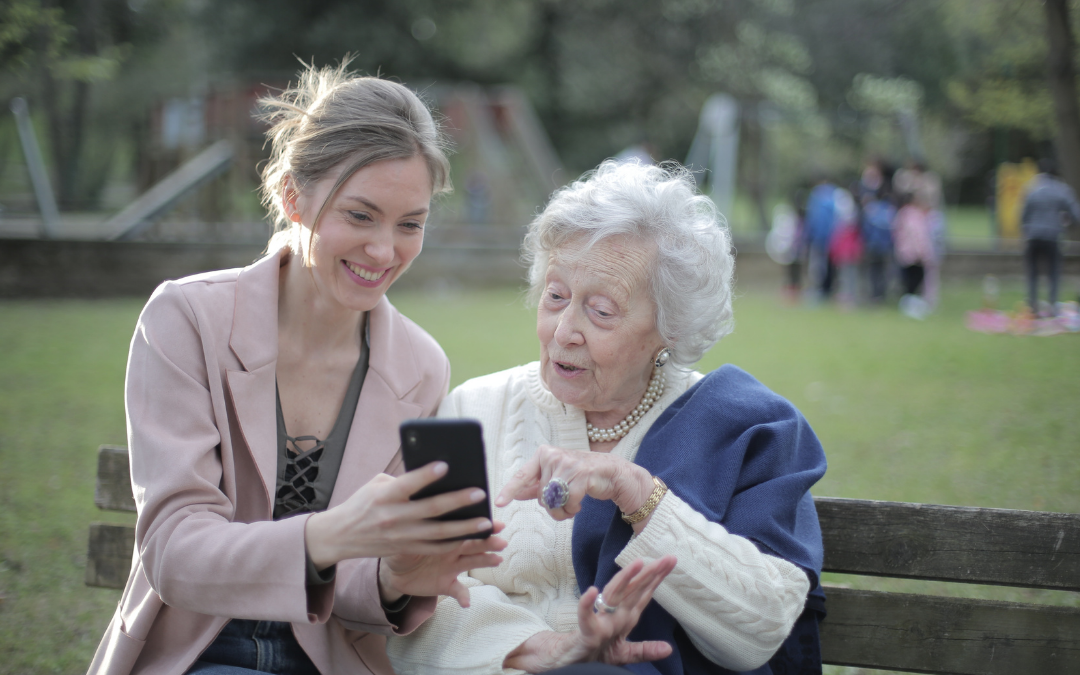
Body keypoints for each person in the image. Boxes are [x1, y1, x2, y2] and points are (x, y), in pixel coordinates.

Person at [88, 63, 507, 675]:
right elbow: (174, 552)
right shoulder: (187, 319)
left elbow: (358, 588)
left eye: (410, 224)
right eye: (359, 215)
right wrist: (329, 535)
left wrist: (395, 576)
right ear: (292, 197)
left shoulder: (420, 367)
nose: (384, 251)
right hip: (197, 653)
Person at [387, 161, 827, 675]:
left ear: (671, 329)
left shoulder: (744, 427)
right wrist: (539, 648)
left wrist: (636, 492)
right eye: (555, 296)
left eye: (601, 311)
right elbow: (413, 596)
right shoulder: (474, 410)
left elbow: (765, 627)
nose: (563, 331)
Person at [1020, 158, 1080, 316]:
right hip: (1052, 236)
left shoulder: (1031, 188)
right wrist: (1067, 222)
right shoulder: (1061, 190)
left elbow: (1023, 215)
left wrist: (1027, 230)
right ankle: (1053, 306)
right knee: (1053, 272)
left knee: (1033, 272)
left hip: (1033, 236)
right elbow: (1075, 214)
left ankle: (1033, 306)